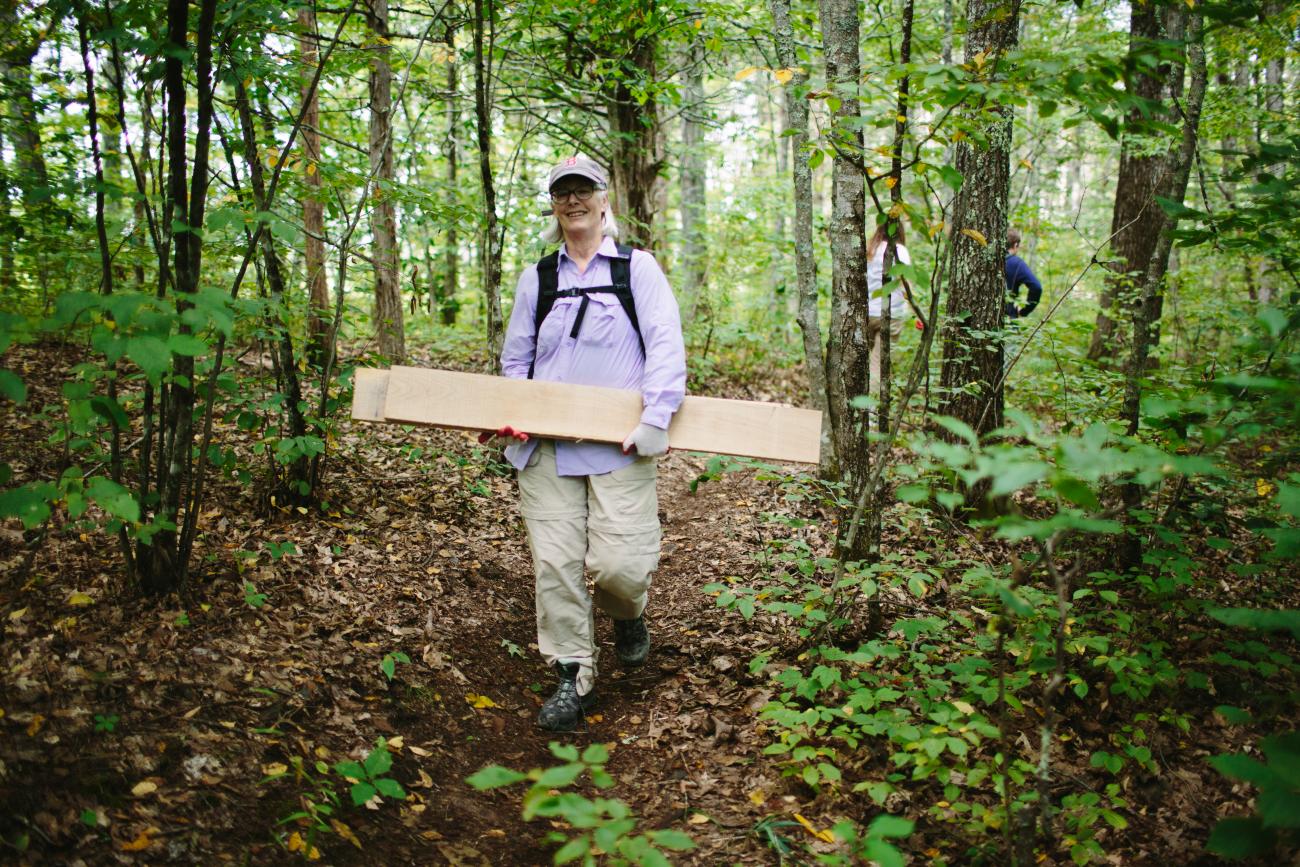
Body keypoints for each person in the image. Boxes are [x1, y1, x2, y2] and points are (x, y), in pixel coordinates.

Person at [485, 156, 686, 732]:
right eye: (562, 193)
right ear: (554, 205)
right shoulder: (539, 278)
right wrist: (513, 412)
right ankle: (573, 672)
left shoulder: (637, 269)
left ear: (604, 200)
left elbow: (665, 346)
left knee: (621, 566)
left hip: (619, 446)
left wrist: (656, 416)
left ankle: (628, 613)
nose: (573, 201)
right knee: (555, 564)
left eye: (584, 191)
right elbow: (516, 359)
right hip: (545, 449)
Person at [866, 222, 914, 408]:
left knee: (867, 362)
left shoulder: (871, 249)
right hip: (891, 314)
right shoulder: (899, 250)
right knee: (877, 365)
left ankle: (861, 408)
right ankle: (870, 414)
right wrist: (914, 309)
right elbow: (906, 283)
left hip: (869, 313)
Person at [1004, 229, 1042, 320]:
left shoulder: (988, 260)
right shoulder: (1016, 263)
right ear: (1016, 245)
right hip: (1008, 320)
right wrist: (1024, 311)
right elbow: (1036, 287)